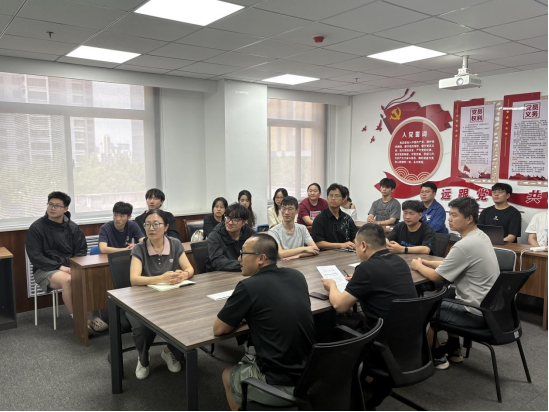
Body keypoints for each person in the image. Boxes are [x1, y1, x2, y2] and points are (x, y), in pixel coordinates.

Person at [213, 234, 316, 411]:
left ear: (261, 258)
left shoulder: (248, 286)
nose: (239, 259)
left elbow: (219, 329)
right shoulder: (297, 276)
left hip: (281, 384)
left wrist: (243, 316)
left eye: (243, 254)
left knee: (226, 374)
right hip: (312, 374)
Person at [322, 223, 418, 409]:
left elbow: (340, 305)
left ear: (364, 245)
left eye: (356, 246)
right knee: (355, 320)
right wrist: (358, 281)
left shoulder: (366, 268)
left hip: (380, 343)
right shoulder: (399, 261)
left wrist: (332, 286)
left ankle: (342, 393)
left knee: (333, 330)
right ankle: (367, 384)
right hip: (409, 341)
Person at [411, 197, 500, 370]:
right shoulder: (481, 236)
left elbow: (436, 277)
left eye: (454, 215)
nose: (449, 219)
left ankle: (437, 355)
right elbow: (453, 263)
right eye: (449, 214)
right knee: (444, 295)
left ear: (469, 218)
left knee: (420, 310)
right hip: (489, 308)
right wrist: (428, 262)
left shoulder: (464, 245)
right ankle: (454, 349)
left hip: (475, 313)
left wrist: (418, 265)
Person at [25, 192, 108, 333]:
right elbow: (35, 256)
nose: (52, 208)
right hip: (45, 269)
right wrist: (60, 267)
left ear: (65, 209)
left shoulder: (73, 228)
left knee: (91, 276)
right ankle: (79, 320)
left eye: (57, 205)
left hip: (70, 267)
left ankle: (93, 317)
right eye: (50, 204)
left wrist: (73, 267)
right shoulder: (37, 227)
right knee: (69, 280)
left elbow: (81, 251)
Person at [129, 209, 194, 380]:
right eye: (147, 224)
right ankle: (143, 358)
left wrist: (183, 275)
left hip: (171, 298)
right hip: (143, 300)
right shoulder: (139, 248)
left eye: (156, 224)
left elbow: (189, 268)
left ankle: (169, 351)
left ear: (166, 227)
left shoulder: (175, 244)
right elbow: (134, 279)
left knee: (186, 318)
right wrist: (161, 278)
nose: (151, 228)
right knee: (141, 327)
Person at [207, 203, 256, 272]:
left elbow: (259, 250)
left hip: (243, 271)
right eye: (228, 218)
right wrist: (242, 264)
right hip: (220, 274)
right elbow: (217, 261)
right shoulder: (215, 235)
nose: (230, 222)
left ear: (244, 222)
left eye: (235, 220)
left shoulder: (248, 232)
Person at [268, 196, 320, 260]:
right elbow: (281, 254)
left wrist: (299, 255)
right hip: (282, 264)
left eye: (290, 209)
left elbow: (315, 249)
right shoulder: (273, 231)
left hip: (300, 263)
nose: (286, 212)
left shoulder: (302, 228)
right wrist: (304, 248)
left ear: (297, 211)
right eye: (284, 209)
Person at [312, 183, 357, 250]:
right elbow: (318, 243)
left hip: (347, 252)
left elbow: (354, 238)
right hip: (327, 254)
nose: (333, 198)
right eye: (330, 195)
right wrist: (342, 245)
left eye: (337, 196)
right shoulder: (319, 219)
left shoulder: (347, 218)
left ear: (343, 199)